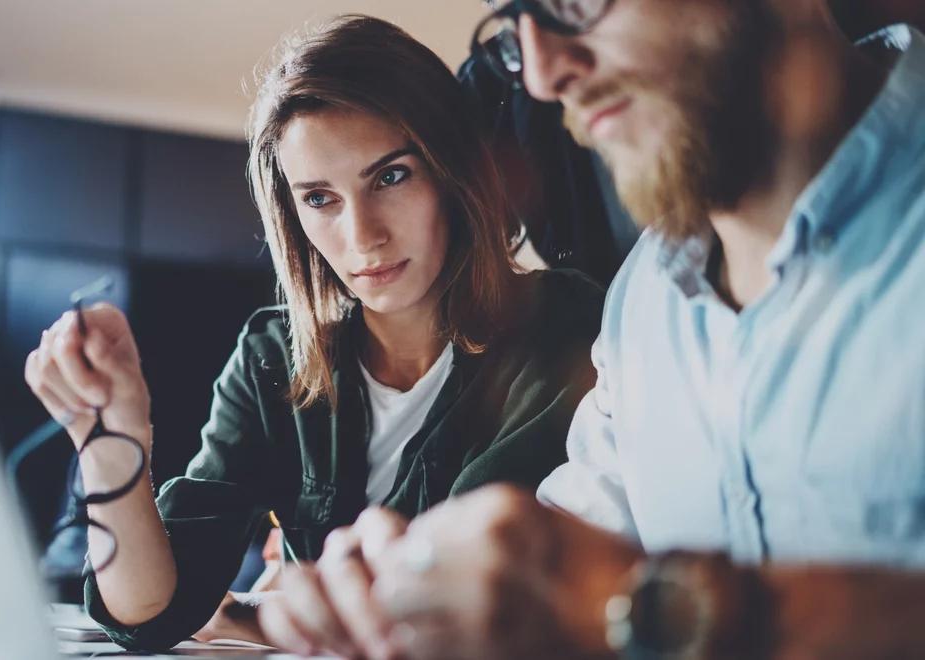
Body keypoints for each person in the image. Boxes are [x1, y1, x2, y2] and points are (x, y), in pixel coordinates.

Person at [258, 1, 925, 658]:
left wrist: (666, 609)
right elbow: (560, 558)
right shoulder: (644, 302)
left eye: (570, 2)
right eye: (517, 17)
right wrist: (414, 594)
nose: (545, 76)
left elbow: (605, 598)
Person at [23, 14, 604, 652]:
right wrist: (110, 438)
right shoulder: (273, 356)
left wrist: (264, 615)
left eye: (391, 176)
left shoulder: (559, 326)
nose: (363, 237)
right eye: (320, 198)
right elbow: (149, 613)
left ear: (452, 172)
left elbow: (451, 584)